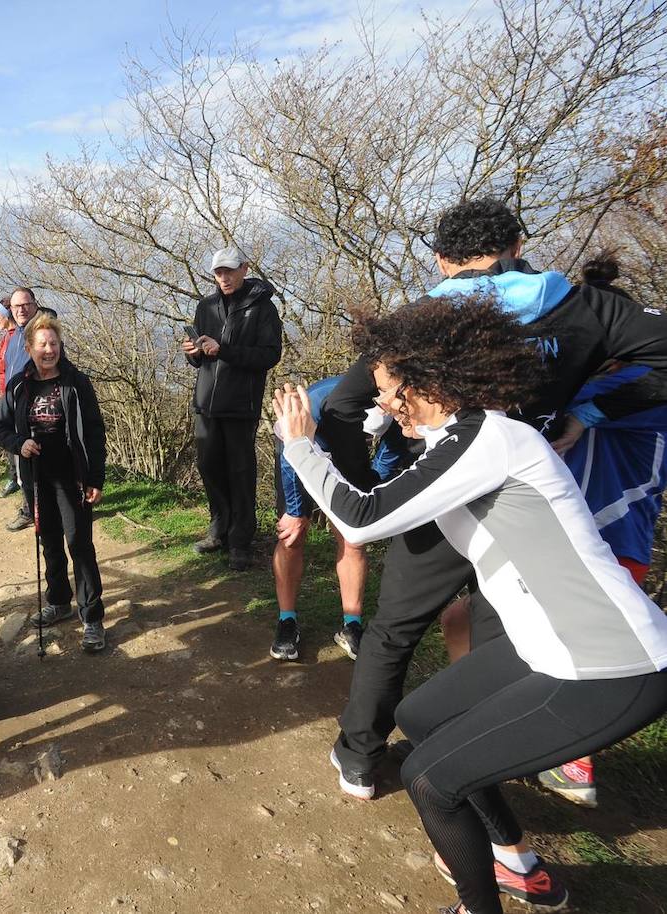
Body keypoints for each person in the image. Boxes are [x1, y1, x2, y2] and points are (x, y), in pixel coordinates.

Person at [275, 293, 667, 914]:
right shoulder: (460, 439)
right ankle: (514, 861)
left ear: (425, 381)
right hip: (547, 645)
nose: (382, 403)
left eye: (388, 389)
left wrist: (300, 444)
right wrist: (372, 430)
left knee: (429, 780)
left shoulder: (488, 438)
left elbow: (363, 516)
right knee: (424, 715)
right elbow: (383, 494)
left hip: (610, 665)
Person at [316, 198, 667, 816]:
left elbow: (343, 406)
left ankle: (360, 757)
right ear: (517, 243)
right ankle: (497, 755)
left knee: (395, 630)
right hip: (530, 499)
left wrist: (364, 476)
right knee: (502, 635)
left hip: (441, 495)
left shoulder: (420, 320)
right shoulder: (581, 305)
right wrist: (586, 412)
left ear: (441, 258)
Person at [269, 376, 412, 662]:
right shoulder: (325, 399)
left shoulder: (408, 402)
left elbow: (391, 451)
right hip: (298, 443)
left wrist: (370, 492)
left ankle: (352, 625)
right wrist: (296, 511)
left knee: (352, 536)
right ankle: (287, 621)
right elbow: (291, 444)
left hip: (349, 454)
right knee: (293, 532)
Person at [0, 314, 109, 653]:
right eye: (42, 344)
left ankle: (92, 618)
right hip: (37, 479)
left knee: (80, 546)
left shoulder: (77, 383)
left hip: (72, 478)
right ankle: (59, 602)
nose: (49, 350)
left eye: (54, 344)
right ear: (29, 348)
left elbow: (95, 432)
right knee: (50, 544)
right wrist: (20, 444)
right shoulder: (18, 385)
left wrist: (96, 478)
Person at [181, 247, 283, 571]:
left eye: (229, 270)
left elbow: (269, 356)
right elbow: (199, 359)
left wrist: (223, 350)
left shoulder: (263, 308)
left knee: (240, 472)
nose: (223, 277)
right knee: (209, 467)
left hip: (242, 405)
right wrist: (192, 353)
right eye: (218, 272)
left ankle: (241, 541)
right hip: (206, 404)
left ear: (244, 269)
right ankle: (219, 531)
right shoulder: (206, 306)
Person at [3, 287, 41, 532]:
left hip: (36, 409)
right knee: (22, 463)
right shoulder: (15, 334)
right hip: (15, 407)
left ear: (35, 304)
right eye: (15, 306)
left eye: (25, 304)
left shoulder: (40, 332)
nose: (20, 310)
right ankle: (31, 508)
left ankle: (35, 511)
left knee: (35, 463)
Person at [0, 298, 22, 498]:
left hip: (13, 396)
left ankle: (18, 479)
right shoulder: (6, 337)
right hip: (6, 394)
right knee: (7, 436)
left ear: (6, 316)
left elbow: (2, 364)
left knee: (13, 436)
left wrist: (0, 363)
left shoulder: (16, 337)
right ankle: (14, 476)